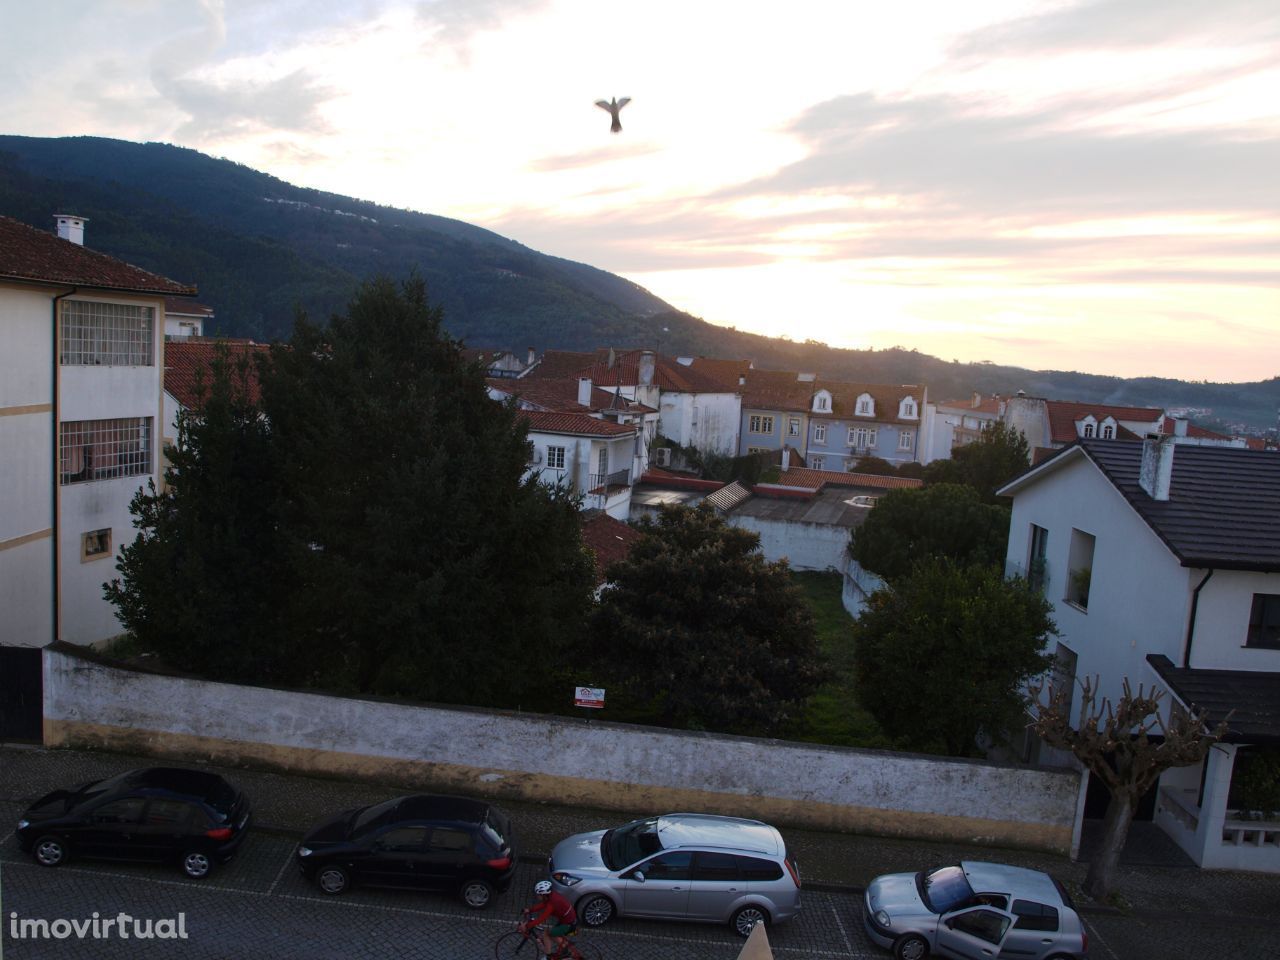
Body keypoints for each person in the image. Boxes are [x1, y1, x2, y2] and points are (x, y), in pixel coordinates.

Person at [521, 880, 578, 958]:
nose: (537, 896)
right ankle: (564, 948)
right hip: (565, 920)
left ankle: (551, 956)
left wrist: (528, 926)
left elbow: (542, 918)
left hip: (568, 923)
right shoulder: (551, 896)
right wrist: (530, 910)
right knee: (551, 934)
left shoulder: (553, 903)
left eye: (538, 895)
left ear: (544, 895)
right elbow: (543, 905)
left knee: (547, 933)